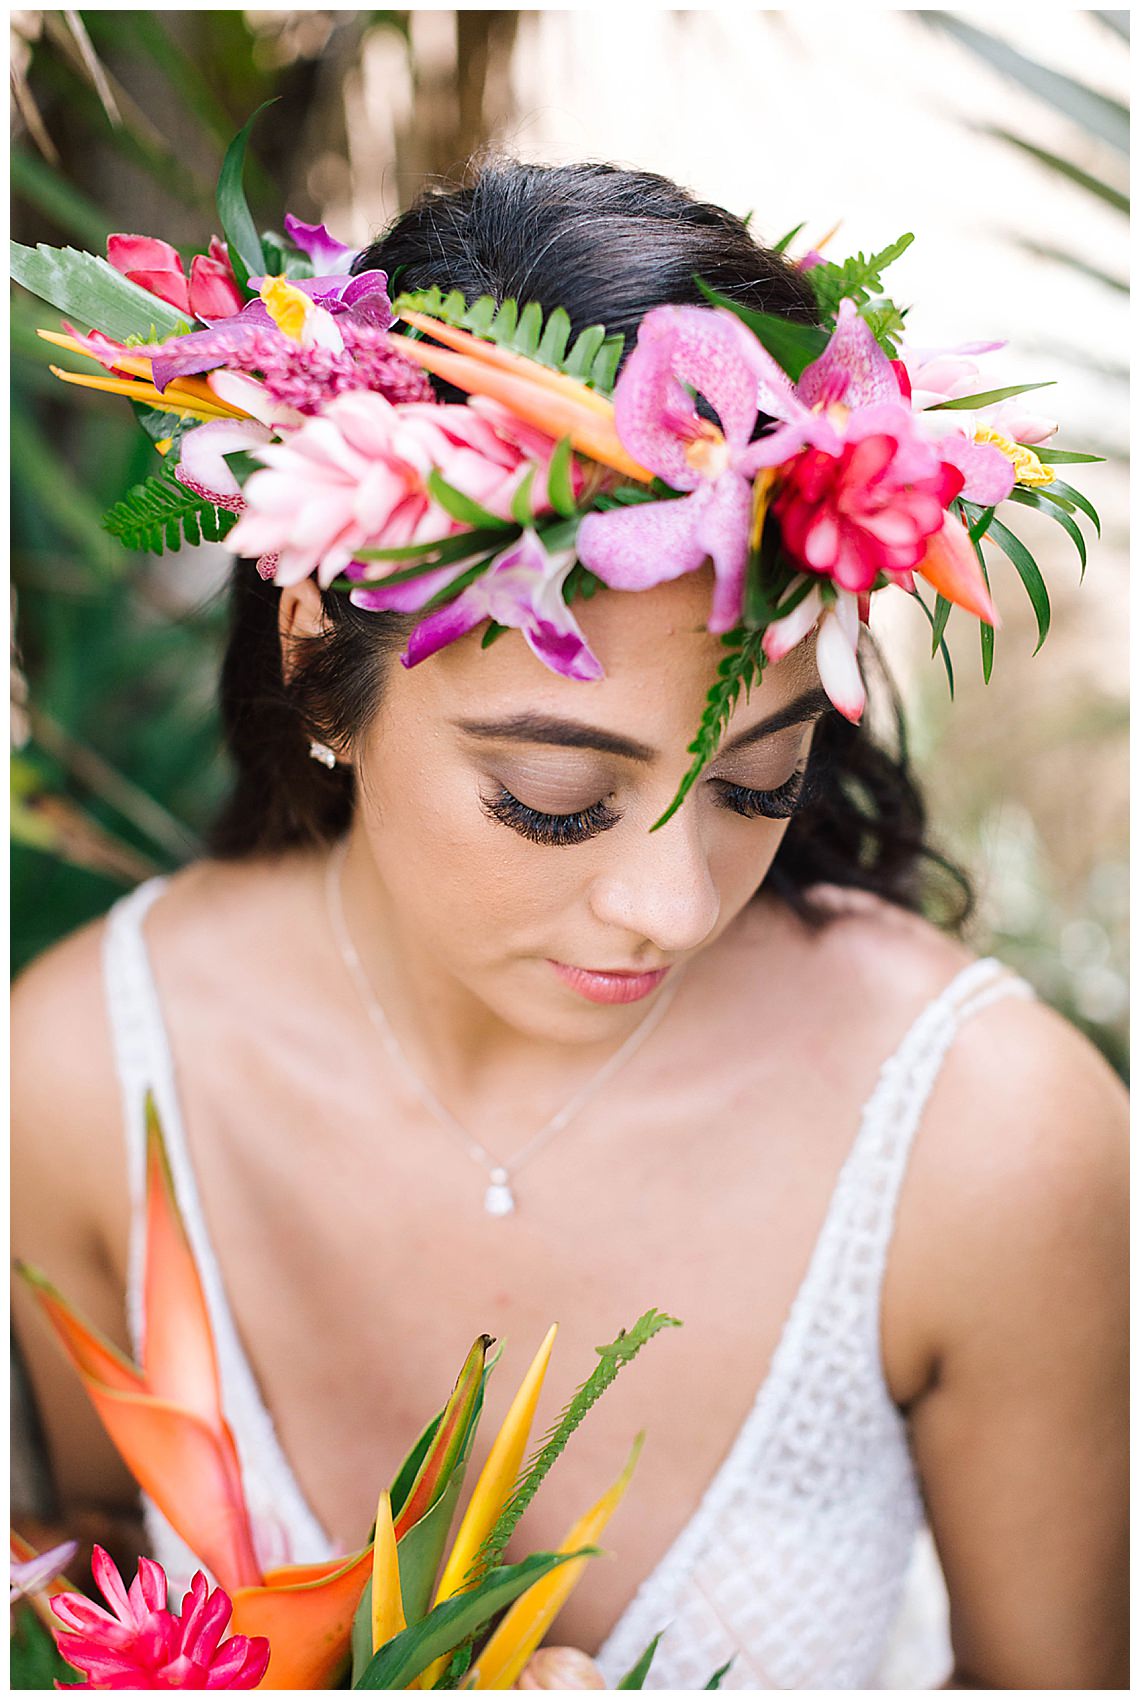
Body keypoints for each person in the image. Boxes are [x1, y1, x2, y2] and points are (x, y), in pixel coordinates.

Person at [11, 162, 1127, 1690]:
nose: (671, 909)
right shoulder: (72, 1082)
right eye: (551, 798)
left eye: (760, 780)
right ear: (319, 648)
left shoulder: (993, 1146)